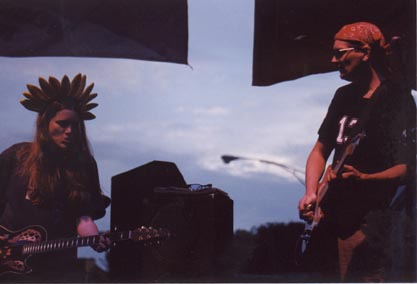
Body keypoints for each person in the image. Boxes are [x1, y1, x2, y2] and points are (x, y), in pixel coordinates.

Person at [298, 22, 416, 282]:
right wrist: (311, 191)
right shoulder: (343, 96)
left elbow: (409, 167)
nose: (333, 60)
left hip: (369, 223)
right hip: (330, 215)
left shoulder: (397, 100)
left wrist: (365, 179)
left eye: (340, 53)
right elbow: (320, 150)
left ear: (365, 52)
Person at [0, 74, 111, 282]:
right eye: (62, 123)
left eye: (75, 125)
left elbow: (83, 217)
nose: (69, 131)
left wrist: (93, 237)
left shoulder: (84, 165)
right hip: (9, 268)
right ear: (45, 124)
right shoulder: (16, 156)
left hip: (59, 268)